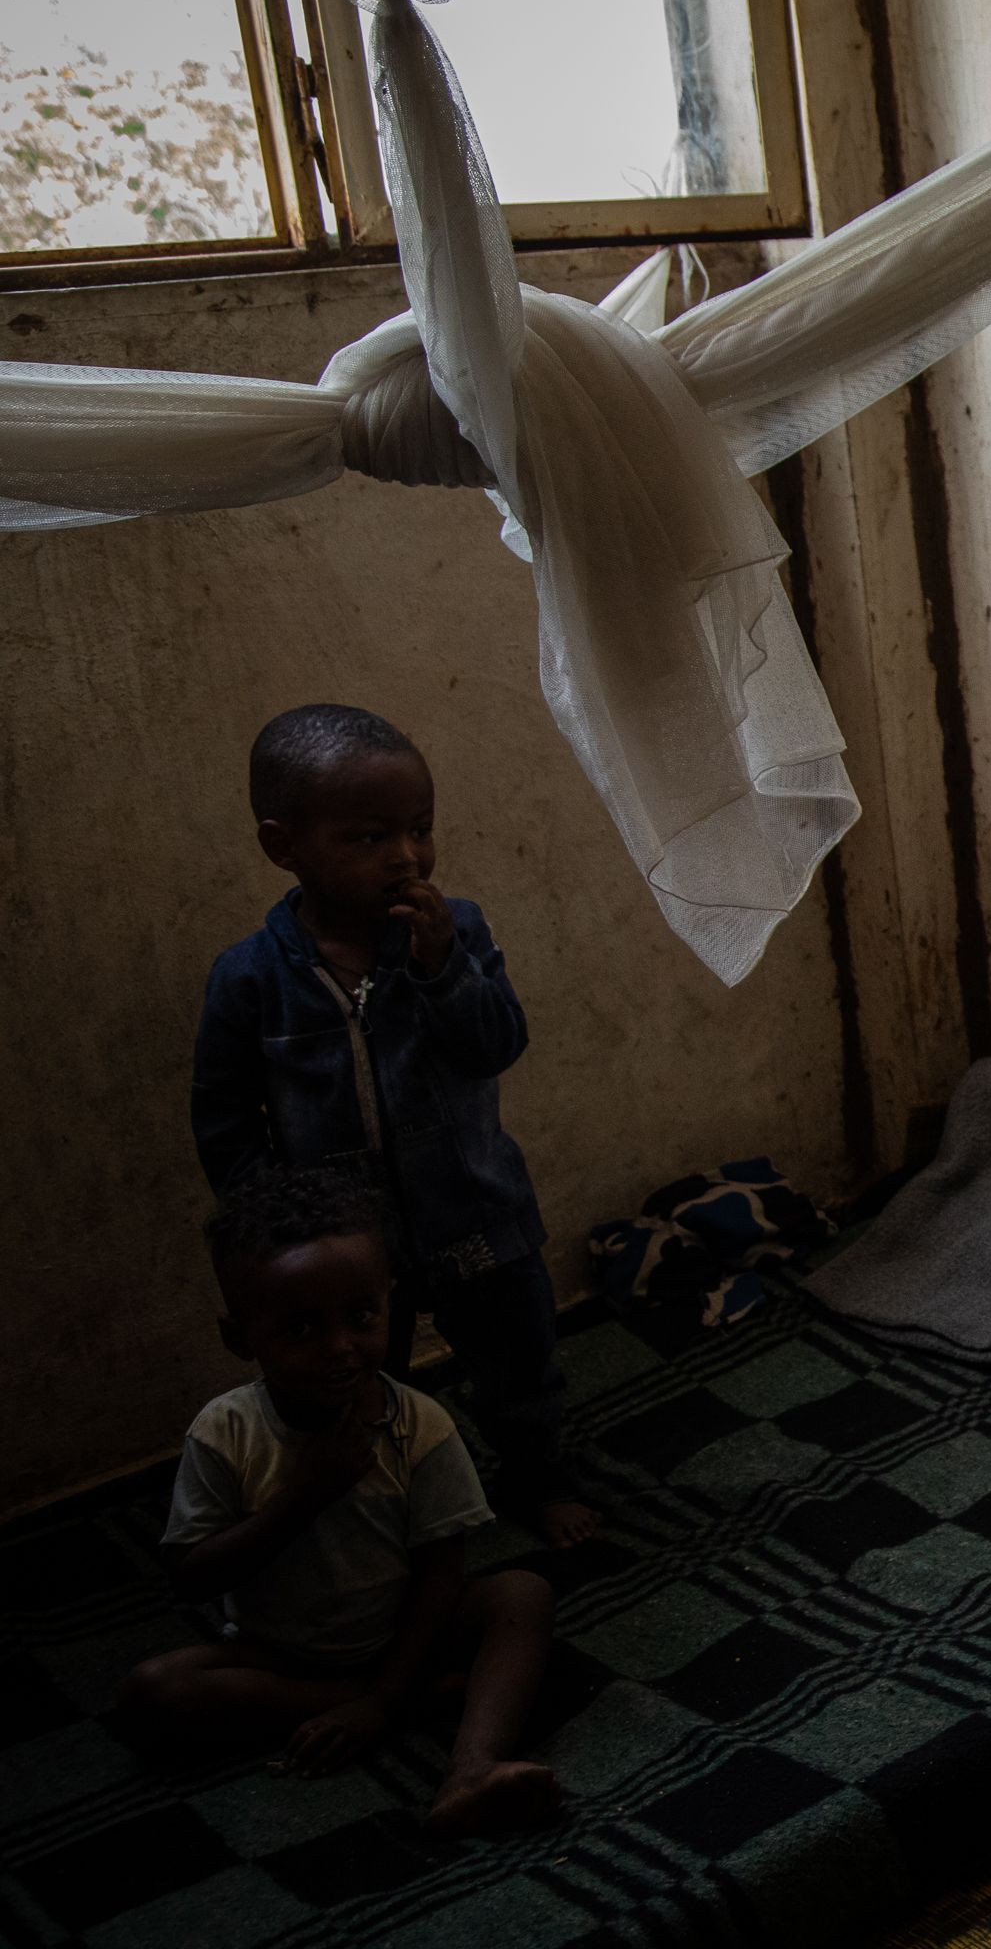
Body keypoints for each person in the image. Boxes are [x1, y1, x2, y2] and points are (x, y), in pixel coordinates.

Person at [192, 703, 598, 1546]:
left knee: (518, 1360)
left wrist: (442, 967)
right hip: (345, 1243)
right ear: (283, 846)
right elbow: (225, 1116)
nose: (407, 856)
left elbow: (497, 1045)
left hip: (473, 1208)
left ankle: (539, 1476)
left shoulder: (457, 932)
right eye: (369, 838)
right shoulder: (249, 979)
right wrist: (274, 1226)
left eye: (420, 829)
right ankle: (379, 1504)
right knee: (357, 1379)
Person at [117, 1167, 562, 1836]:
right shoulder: (224, 1433)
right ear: (242, 1339)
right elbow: (190, 1575)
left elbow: (442, 1572)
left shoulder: (420, 1426)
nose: (339, 1348)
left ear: (392, 1303)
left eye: (360, 1317)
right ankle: (387, 1703)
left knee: (523, 1594)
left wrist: (386, 1688)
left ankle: (472, 1766)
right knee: (151, 1695)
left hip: (404, 1632)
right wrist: (306, 1495)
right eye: (299, 1328)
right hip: (280, 1655)